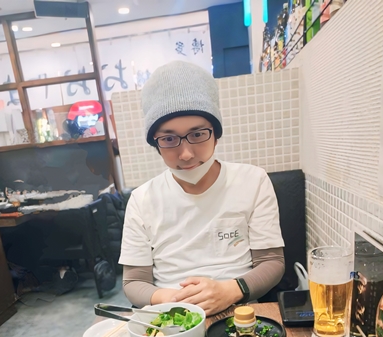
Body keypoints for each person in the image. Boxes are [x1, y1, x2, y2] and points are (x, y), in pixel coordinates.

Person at [119, 60, 285, 315]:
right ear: (155, 143)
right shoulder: (142, 199)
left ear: (215, 134)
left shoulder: (253, 181)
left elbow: (272, 262)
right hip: (171, 316)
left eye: (197, 134)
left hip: (241, 312)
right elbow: (133, 281)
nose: (186, 154)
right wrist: (174, 299)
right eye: (169, 138)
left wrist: (230, 291)